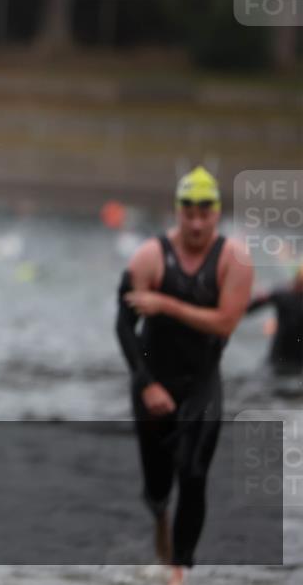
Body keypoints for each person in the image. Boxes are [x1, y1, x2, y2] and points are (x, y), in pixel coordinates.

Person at [114, 166, 253, 585]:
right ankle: (160, 519)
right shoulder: (149, 256)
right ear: (177, 212)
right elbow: (124, 326)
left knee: (194, 474)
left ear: (217, 213)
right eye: (188, 214)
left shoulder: (234, 260)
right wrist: (146, 384)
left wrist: (166, 305)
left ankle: (179, 570)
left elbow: (225, 323)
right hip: (153, 381)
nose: (195, 224)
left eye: (204, 214)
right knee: (158, 485)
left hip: (202, 384)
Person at [245, 264, 303, 378]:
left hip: (282, 358)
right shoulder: (281, 294)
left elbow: (246, 309)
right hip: (283, 358)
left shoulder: (281, 294)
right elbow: (247, 309)